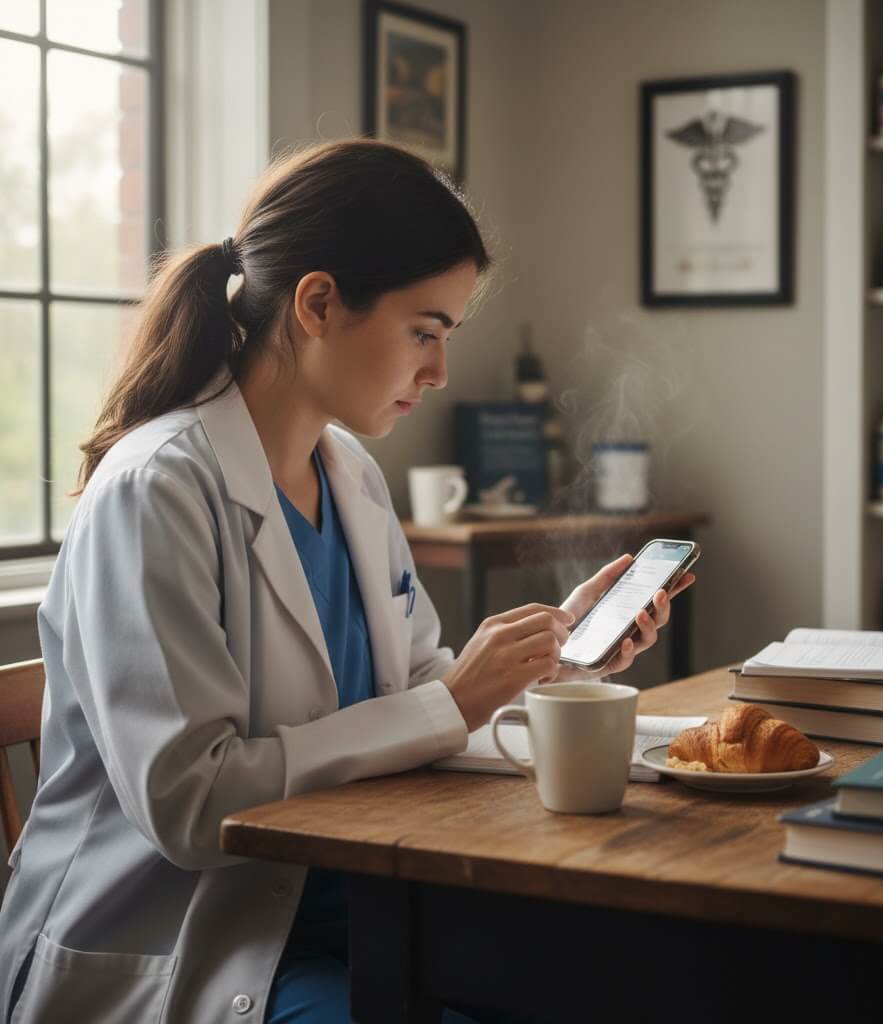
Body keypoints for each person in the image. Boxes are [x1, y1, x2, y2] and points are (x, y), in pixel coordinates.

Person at [0, 139, 694, 1024]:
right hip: (195, 945)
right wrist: (453, 700)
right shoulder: (155, 491)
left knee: (613, 978)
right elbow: (191, 806)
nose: (439, 373)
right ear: (319, 303)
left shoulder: (350, 473)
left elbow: (412, 698)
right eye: (424, 332)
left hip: (357, 910)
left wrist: (554, 656)